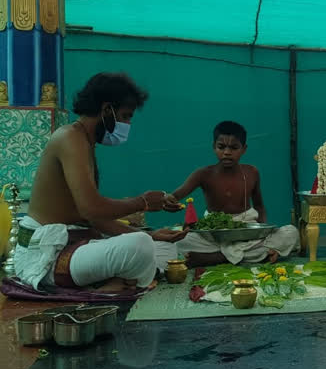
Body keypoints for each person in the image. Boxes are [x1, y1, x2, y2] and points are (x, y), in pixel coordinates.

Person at [15, 73, 186, 292]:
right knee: (140, 246)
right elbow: (91, 210)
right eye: (125, 116)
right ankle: (117, 284)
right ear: (107, 110)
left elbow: (94, 219)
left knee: (162, 247)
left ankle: (118, 282)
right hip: (47, 256)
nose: (127, 124)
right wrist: (142, 203)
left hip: (77, 243)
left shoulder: (85, 142)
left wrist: (152, 234)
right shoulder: (70, 138)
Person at [171, 121, 299, 267]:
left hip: (246, 231)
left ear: (244, 149)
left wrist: (262, 230)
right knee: (179, 241)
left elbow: (259, 206)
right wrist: (168, 200)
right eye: (221, 147)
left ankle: (217, 257)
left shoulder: (252, 172)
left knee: (291, 233)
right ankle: (249, 255)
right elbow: (176, 196)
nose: (227, 152)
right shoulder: (203, 174)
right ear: (214, 147)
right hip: (214, 234)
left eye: (234, 147)